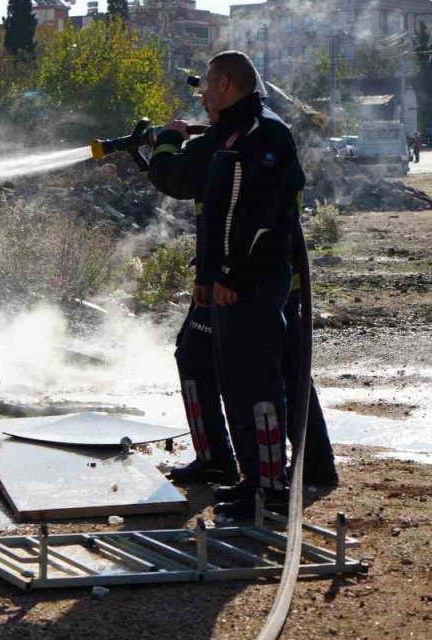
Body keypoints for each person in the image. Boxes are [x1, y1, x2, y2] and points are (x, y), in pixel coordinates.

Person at [145, 51, 307, 519]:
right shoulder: (229, 133)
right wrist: (205, 277)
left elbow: (253, 217)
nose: (202, 95)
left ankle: (270, 488)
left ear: (227, 85)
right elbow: (212, 210)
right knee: (203, 359)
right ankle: (228, 467)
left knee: (255, 380)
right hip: (223, 281)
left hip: (252, 280)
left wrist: (230, 276)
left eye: (208, 86)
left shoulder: (262, 134)